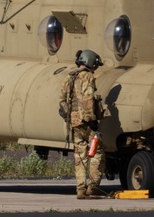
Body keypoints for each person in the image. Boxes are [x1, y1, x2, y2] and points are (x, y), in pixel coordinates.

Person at [58, 49, 106, 198]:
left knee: (80, 156)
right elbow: (88, 98)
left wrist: (70, 116)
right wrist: (91, 120)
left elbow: (61, 101)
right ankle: (93, 186)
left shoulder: (69, 78)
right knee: (98, 152)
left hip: (74, 123)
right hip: (86, 122)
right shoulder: (87, 77)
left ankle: (80, 189)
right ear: (90, 62)